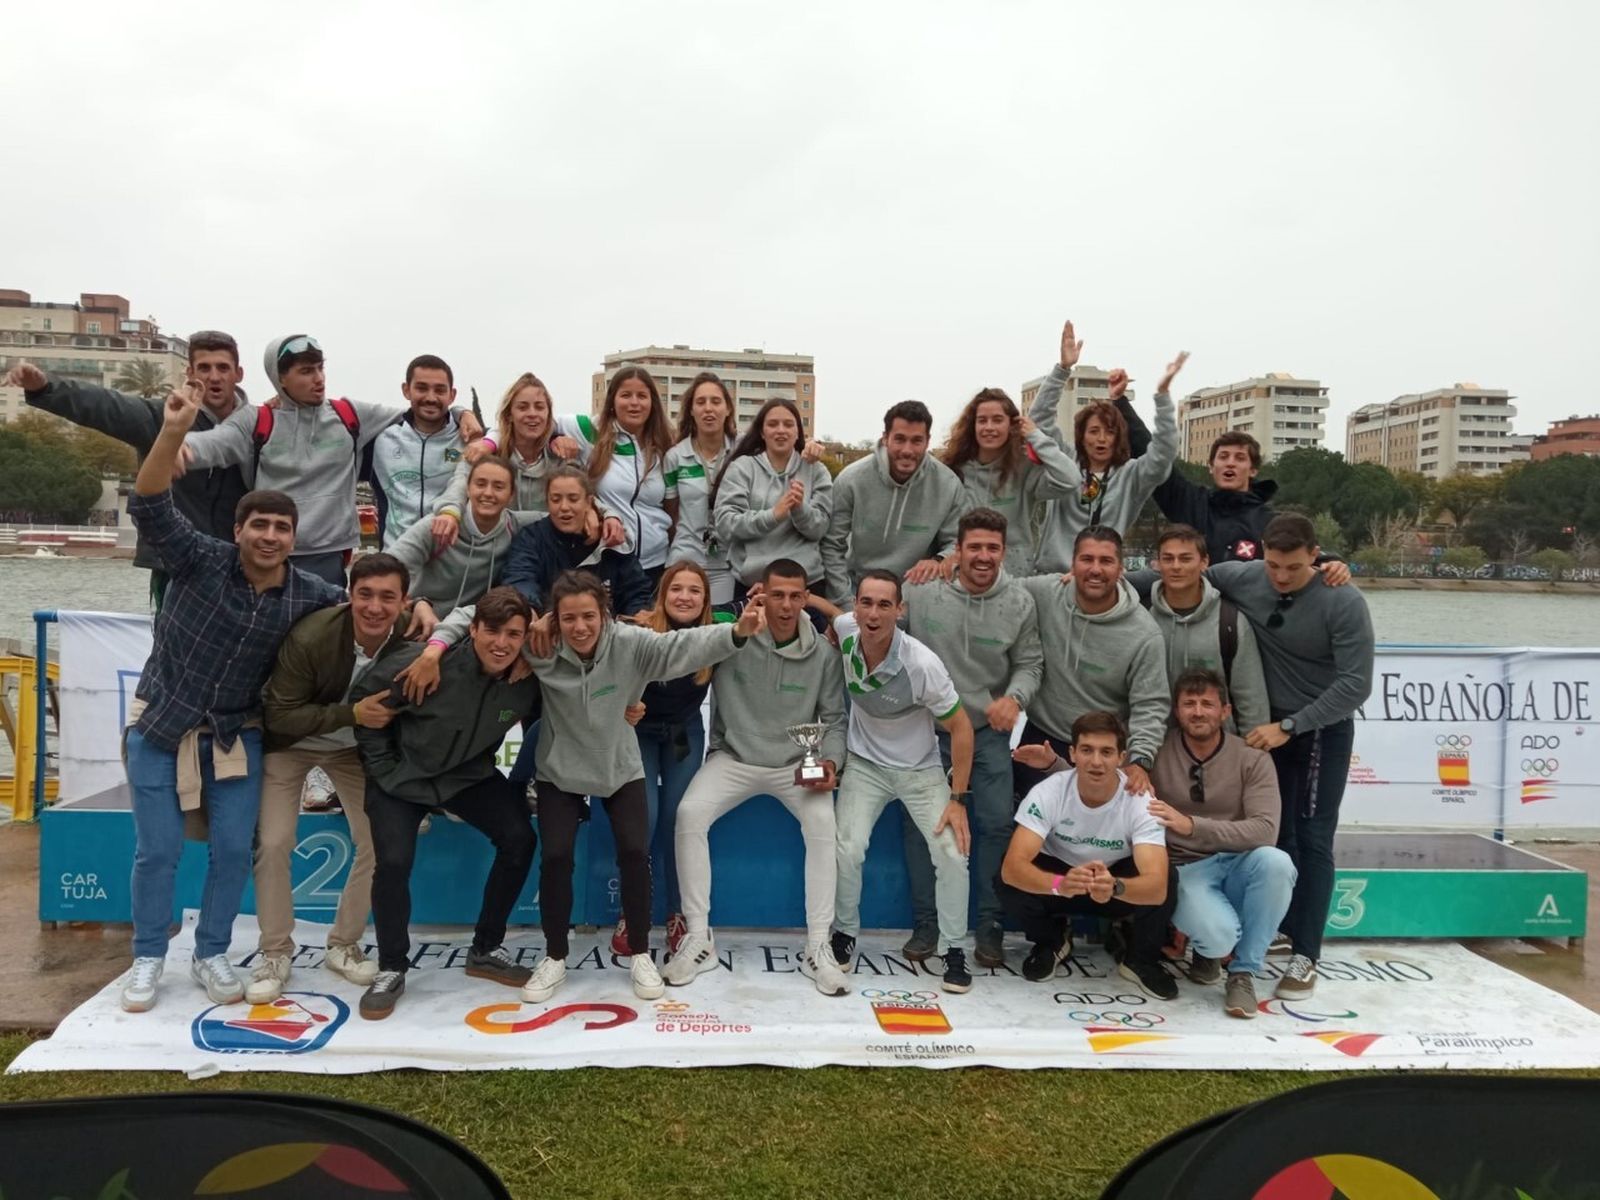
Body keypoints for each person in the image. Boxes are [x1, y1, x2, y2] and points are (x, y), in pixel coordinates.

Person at [117, 381, 347, 1014]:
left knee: (231, 850)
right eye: (259, 524)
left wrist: (420, 618)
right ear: (238, 529)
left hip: (235, 737)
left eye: (281, 527)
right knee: (157, 850)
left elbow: (367, 613)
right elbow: (151, 501)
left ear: (294, 539)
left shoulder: (310, 594)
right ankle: (146, 957)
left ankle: (212, 950)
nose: (270, 535)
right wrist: (171, 432)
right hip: (160, 727)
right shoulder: (197, 558)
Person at [519, 570, 765, 1004]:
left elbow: (681, 646)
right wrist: (531, 616)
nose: (580, 627)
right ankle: (555, 956)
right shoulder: (542, 645)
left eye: (589, 617)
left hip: (619, 765)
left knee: (635, 853)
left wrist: (736, 633)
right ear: (556, 619)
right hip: (561, 768)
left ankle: (639, 953)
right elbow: (485, 621)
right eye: (569, 618)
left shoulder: (630, 643)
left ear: (606, 616)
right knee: (556, 857)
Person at [349, 586, 541, 1019]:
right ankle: (392, 966)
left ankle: (486, 949)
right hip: (401, 776)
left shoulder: (528, 677)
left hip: (465, 776)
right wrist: (386, 771)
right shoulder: (421, 664)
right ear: (472, 630)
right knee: (393, 861)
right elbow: (366, 712)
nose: (501, 643)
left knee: (519, 839)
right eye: (492, 631)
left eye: (514, 634)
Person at [663, 558, 850, 996]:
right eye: (776, 595)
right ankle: (698, 937)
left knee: (823, 824)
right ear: (760, 595)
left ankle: (818, 946)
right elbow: (679, 648)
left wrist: (831, 764)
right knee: (689, 814)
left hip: (794, 766)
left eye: (795, 596)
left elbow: (836, 721)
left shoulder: (823, 653)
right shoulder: (735, 637)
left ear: (806, 599)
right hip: (734, 758)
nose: (785, 606)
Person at [1207, 514, 1375, 999]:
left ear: (1317, 557)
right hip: (1264, 727)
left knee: (1315, 838)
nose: (1280, 577)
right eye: (1274, 565)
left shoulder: (1343, 600)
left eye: (1294, 568)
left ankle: (1307, 954)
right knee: (1274, 837)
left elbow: (1355, 685)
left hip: (1319, 730)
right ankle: (1278, 930)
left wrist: (1291, 727)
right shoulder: (1244, 575)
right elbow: (1181, 573)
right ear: (1261, 553)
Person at [249, 553, 413, 1002]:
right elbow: (279, 715)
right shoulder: (313, 636)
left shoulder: (413, 636)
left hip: (352, 749)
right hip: (291, 744)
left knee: (378, 840)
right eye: (365, 595)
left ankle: (344, 944)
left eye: (387, 597)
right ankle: (276, 952)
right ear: (349, 596)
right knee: (275, 841)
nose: (375, 607)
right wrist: (352, 713)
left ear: (405, 602)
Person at [6, 333, 250, 609]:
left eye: (223, 368)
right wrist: (46, 387)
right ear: (190, 373)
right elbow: (106, 405)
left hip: (242, 566)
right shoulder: (163, 418)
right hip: (176, 567)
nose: (214, 377)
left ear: (238, 374)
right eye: (204, 368)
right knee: (175, 649)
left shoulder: (259, 425)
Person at [899, 508, 1043, 969]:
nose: (983, 557)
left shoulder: (1019, 601)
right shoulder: (920, 591)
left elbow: (1030, 664)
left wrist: (1015, 698)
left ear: (1004, 551)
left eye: (992, 548)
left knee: (998, 823)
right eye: (974, 547)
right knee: (923, 826)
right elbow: (881, 636)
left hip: (986, 733)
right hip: (926, 734)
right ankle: (928, 923)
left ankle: (990, 925)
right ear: (956, 550)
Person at [827, 571, 976, 993]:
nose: (873, 614)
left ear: (900, 610)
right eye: (866, 603)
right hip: (864, 763)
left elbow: (962, 729)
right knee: (848, 846)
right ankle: (844, 934)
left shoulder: (922, 664)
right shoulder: (845, 630)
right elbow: (828, 616)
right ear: (855, 607)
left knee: (951, 851)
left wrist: (958, 799)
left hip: (920, 769)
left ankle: (953, 950)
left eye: (884, 605)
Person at [175, 335, 409, 586]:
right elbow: (215, 442)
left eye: (320, 368)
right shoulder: (256, 420)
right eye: (306, 371)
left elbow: (419, 414)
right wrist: (177, 448)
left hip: (328, 557)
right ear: (281, 379)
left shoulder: (349, 415)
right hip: (267, 555)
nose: (318, 379)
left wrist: (458, 414)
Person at [1146, 669, 1295, 1017]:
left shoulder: (1252, 757)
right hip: (1186, 868)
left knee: (1277, 863)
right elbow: (1108, 785)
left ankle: (1243, 973)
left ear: (1225, 711)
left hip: (1238, 864)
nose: (1198, 712)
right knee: (1218, 937)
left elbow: (1264, 831)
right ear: (1176, 710)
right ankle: (1207, 948)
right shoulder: (1156, 751)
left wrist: (1191, 825)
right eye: (1189, 704)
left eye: (1207, 704)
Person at [1000, 711, 1178, 999]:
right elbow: (1012, 869)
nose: (1096, 761)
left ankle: (1140, 959)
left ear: (1121, 757)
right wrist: (1060, 884)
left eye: (1106, 752)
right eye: (1087, 750)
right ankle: (1053, 940)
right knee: (1004, 878)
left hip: (1113, 887)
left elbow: (1157, 887)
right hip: (1062, 885)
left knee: (1168, 877)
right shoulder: (1049, 791)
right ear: (1072, 754)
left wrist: (1115, 887)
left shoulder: (1141, 801)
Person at [1015, 525, 1169, 801]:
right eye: (1087, 559)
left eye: (1106, 561)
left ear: (1121, 569)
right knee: (1028, 833)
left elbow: (1151, 704)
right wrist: (951, 562)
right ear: (1072, 564)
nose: (1095, 569)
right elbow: (996, 587)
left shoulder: (1144, 634)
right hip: (1042, 736)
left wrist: (1141, 760)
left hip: (1102, 750)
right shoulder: (1047, 592)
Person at [1030, 321, 1184, 571]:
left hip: (1102, 578)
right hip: (1054, 577)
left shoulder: (1131, 475)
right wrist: (1063, 368)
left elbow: (1163, 454)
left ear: (1118, 437)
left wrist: (1163, 397)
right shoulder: (1065, 461)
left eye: (1109, 432)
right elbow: (1039, 420)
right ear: (1081, 436)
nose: (1101, 439)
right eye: (1093, 431)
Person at [628, 561, 725, 957]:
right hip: (640, 733)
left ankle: (677, 914)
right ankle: (630, 912)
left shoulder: (715, 635)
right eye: (676, 589)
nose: (684, 597)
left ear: (705, 600)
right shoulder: (638, 631)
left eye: (694, 590)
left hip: (684, 734)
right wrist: (622, 705)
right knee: (643, 818)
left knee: (678, 820)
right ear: (662, 595)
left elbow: (753, 611)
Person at [820, 401, 968, 603]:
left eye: (917, 441)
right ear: (885, 438)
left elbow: (958, 543)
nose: (907, 450)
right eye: (900, 439)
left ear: (928, 441)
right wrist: (844, 602)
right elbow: (832, 546)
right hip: (860, 590)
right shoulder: (851, 479)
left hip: (917, 590)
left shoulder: (948, 484)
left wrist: (938, 560)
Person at [938, 387, 1079, 576]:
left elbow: (1070, 480)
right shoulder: (955, 469)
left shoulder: (1024, 468)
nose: (989, 427)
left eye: (997, 420)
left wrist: (1035, 436)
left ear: (1012, 425)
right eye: (982, 421)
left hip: (1015, 577)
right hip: (965, 577)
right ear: (973, 426)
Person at [431, 372, 587, 541]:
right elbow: (459, 483)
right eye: (522, 407)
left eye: (540, 407)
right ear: (509, 415)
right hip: (493, 552)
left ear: (549, 414)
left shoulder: (561, 457)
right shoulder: (484, 454)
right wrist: (449, 512)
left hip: (547, 551)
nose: (532, 413)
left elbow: (584, 492)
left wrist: (599, 512)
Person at [1145, 524, 1271, 733]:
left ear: (1204, 562)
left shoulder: (1229, 622)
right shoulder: (1144, 617)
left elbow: (1250, 697)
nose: (1176, 566)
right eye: (1168, 559)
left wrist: (1251, 755)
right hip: (1156, 746)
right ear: (1157, 564)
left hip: (1218, 749)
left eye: (1185, 559)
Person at [555, 366, 675, 583]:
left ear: (653, 403)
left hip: (657, 564)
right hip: (608, 559)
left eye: (642, 396)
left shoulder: (665, 443)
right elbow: (536, 422)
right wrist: (556, 437)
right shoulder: (591, 430)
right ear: (612, 400)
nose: (634, 403)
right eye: (626, 395)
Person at [713, 397, 835, 609]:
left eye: (788, 424)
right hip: (752, 584)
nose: (781, 430)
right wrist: (774, 515)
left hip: (805, 584)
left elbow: (820, 528)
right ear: (762, 432)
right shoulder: (742, 468)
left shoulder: (816, 470)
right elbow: (725, 524)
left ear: (798, 431)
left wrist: (799, 509)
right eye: (772, 424)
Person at [502, 465, 652, 617]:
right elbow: (519, 579)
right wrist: (530, 609)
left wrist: (639, 613)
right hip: (546, 627)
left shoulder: (611, 539)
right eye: (556, 499)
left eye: (573, 499)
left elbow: (635, 590)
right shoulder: (531, 538)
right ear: (547, 503)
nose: (564, 507)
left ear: (589, 502)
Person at [366, 354, 474, 548]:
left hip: (453, 559)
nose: (431, 398)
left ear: (452, 395)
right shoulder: (380, 440)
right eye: (421, 388)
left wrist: (464, 412)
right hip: (397, 559)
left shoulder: (470, 440)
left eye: (440, 390)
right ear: (406, 390)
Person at [664, 372, 737, 607]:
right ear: (691, 411)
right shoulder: (675, 457)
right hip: (684, 558)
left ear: (728, 409)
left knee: (716, 631)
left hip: (726, 563)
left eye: (716, 401)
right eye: (701, 402)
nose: (708, 409)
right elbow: (670, 512)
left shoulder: (743, 451)